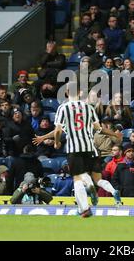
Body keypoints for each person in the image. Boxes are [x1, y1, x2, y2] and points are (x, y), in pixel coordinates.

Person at [53, 82, 123, 217]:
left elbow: (57, 130)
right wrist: (114, 134)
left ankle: (85, 206)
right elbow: (99, 128)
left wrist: (56, 143)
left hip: (74, 148)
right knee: (94, 177)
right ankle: (83, 204)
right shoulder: (89, 108)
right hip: (90, 148)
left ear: (67, 93)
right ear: (80, 92)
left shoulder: (63, 108)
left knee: (77, 178)